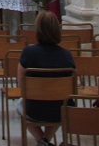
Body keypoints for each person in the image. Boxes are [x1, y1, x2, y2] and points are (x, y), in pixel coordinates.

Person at [17, 10, 75, 146]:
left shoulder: (28, 52)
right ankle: (45, 141)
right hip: (62, 109)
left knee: (20, 105)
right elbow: (73, 86)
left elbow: (21, 86)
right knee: (58, 102)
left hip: (34, 109)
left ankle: (41, 140)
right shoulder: (67, 55)